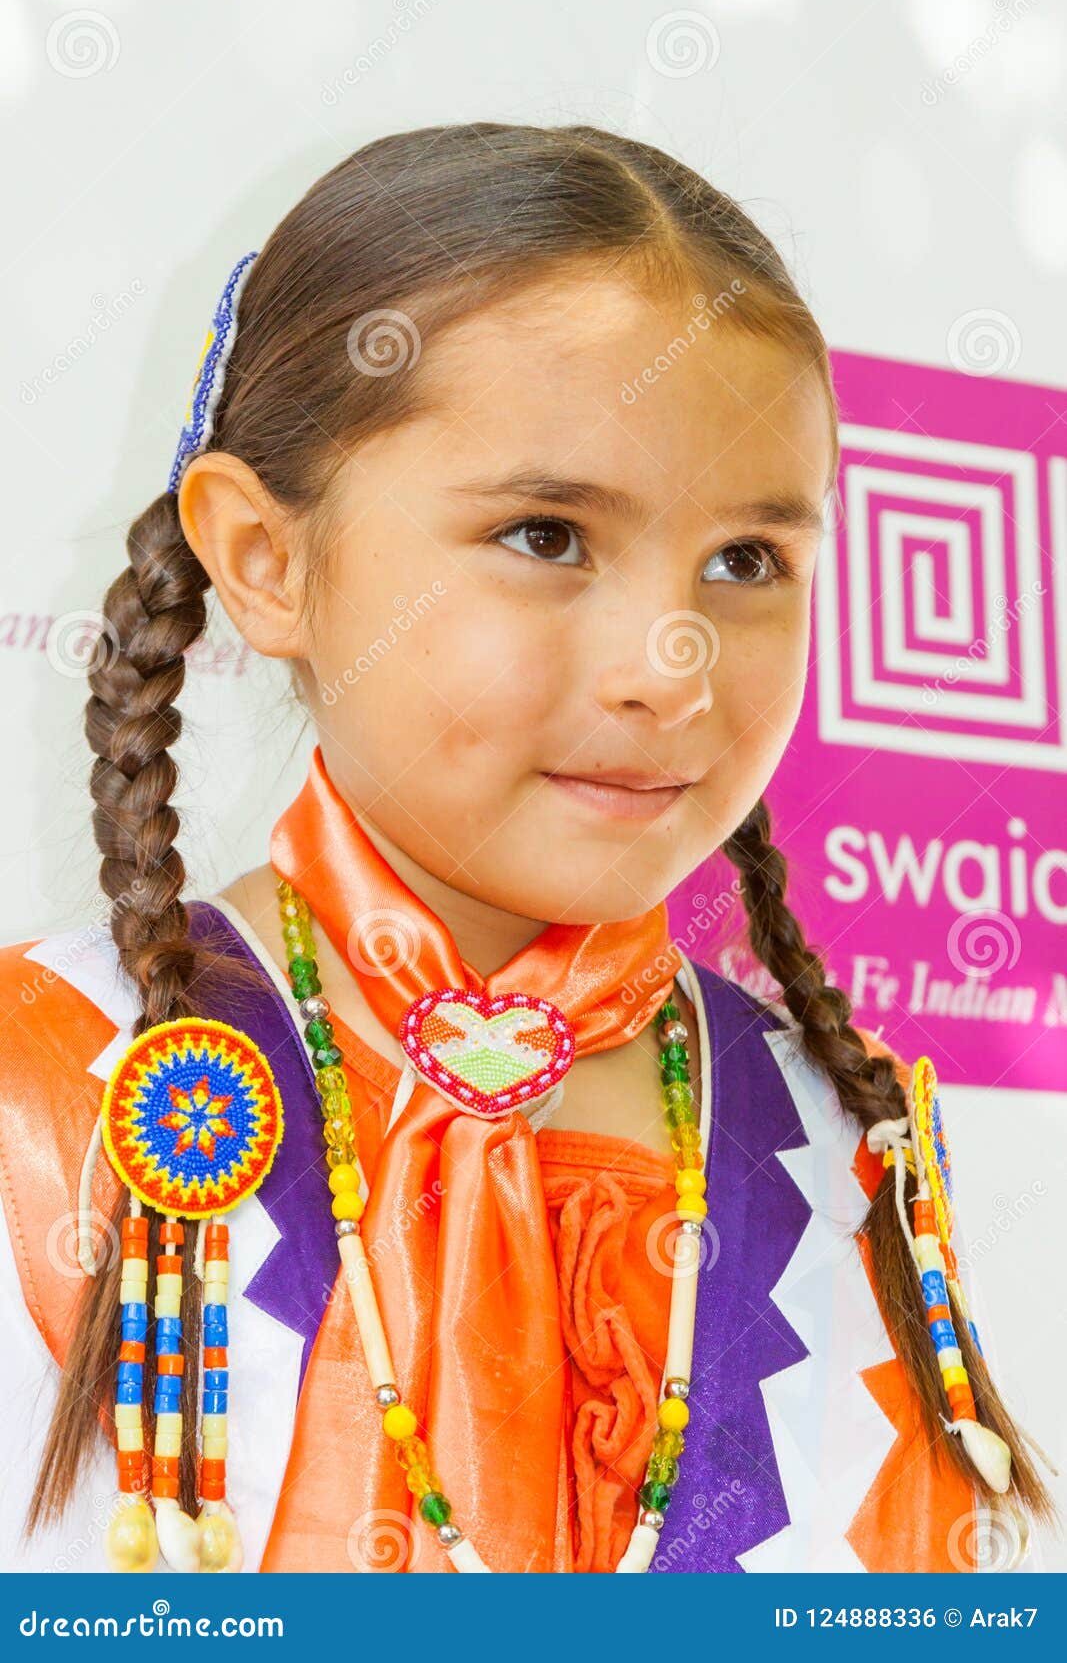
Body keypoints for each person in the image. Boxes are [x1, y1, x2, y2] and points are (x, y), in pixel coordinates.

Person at [0, 122, 1049, 1575]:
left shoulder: (844, 1142)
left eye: (747, 563)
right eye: (547, 534)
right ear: (268, 559)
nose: (670, 667)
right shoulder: (48, 1091)